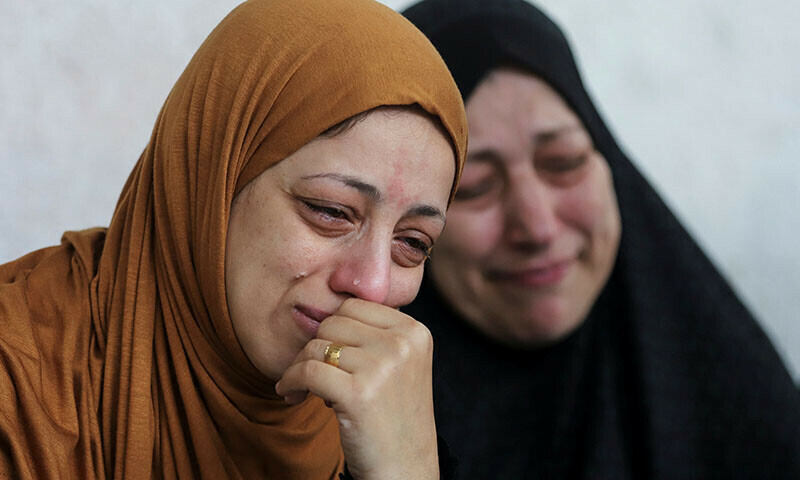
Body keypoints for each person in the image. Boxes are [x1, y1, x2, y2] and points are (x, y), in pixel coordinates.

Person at [0, 0, 468, 478]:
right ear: (211, 183)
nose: (372, 285)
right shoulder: (18, 382)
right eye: (330, 212)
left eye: (412, 242)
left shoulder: (392, 418)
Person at [402, 0, 800, 478]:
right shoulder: (336, 436)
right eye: (474, 187)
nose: (538, 227)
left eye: (564, 162)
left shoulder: (737, 401)